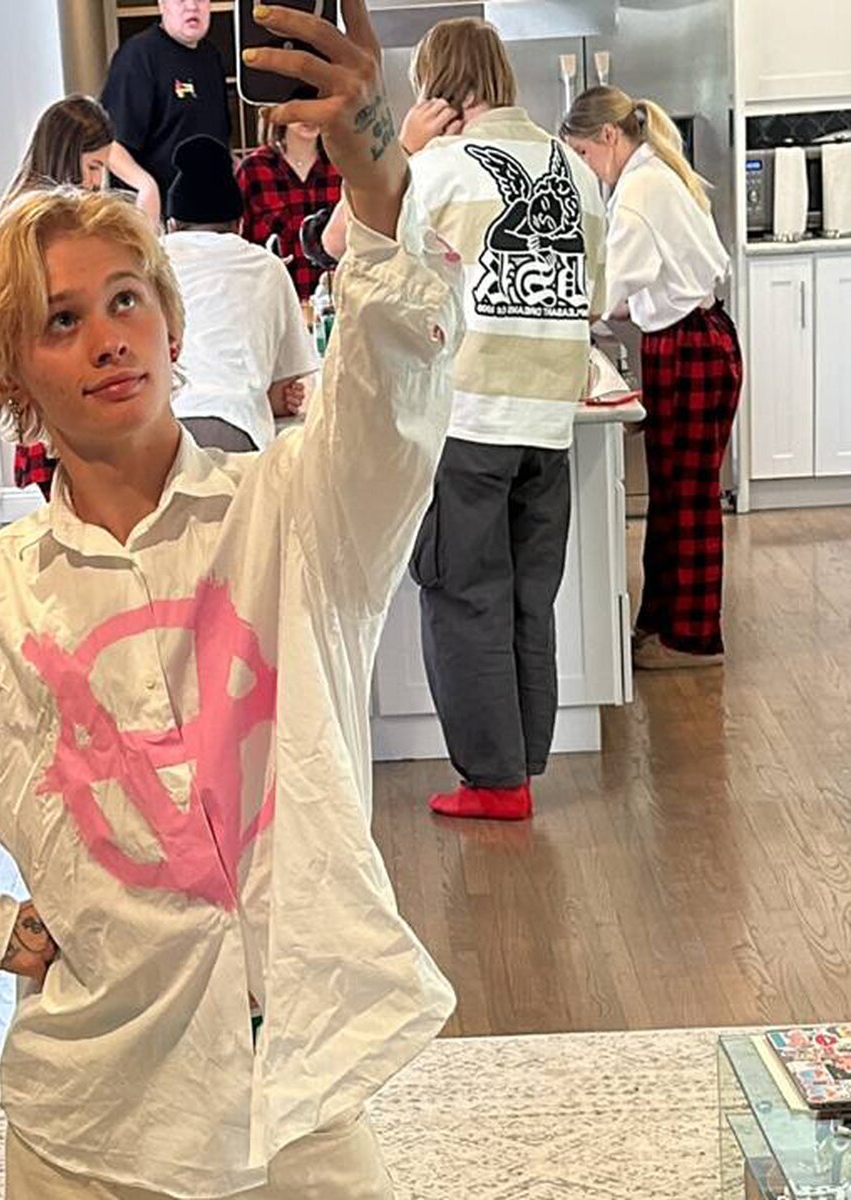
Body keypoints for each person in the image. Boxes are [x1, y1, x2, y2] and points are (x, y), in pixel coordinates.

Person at [0, 2, 463, 1196]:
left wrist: (376, 170)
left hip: (297, 1102)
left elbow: (394, 378)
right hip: (92, 1129)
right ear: (15, 374)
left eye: (128, 299)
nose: (108, 337)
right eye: (63, 319)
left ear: (171, 320)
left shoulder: (297, 517)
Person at [401, 17, 606, 822]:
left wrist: (407, 153)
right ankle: (520, 764)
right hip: (549, 421)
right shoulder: (576, 169)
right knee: (526, 596)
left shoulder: (441, 167)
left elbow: (361, 251)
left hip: (471, 415)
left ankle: (493, 782)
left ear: (438, 85)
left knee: (463, 593)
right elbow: (594, 296)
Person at [561, 86, 742, 670]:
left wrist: (557, 313)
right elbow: (629, 290)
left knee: (687, 499)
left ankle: (693, 641)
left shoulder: (639, 190)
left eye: (584, 154)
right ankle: (661, 622)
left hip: (689, 346)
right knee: (673, 493)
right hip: (697, 338)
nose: (587, 167)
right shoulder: (657, 172)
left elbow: (606, 290)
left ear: (608, 136)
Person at [6, 95, 160, 502]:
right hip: (55, 404)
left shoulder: (28, 216)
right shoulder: (32, 230)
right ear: (66, 156)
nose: (95, 182)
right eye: (93, 167)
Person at [164, 134, 316, 452]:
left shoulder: (150, 262)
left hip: (156, 428)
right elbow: (286, 390)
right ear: (240, 225)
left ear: (172, 225)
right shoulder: (267, 266)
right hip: (236, 428)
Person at [101, 0, 231, 215]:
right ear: (162, 4)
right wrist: (146, 187)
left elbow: (216, 137)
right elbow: (110, 146)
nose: (192, 6)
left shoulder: (211, 56)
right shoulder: (139, 55)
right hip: (156, 216)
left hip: (208, 216)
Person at [237, 116, 344, 301]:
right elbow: (238, 247)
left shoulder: (343, 166)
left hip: (338, 301)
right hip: (273, 301)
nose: (309, 115)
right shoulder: (254, 171)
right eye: (299, 104)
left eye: (316, 104)